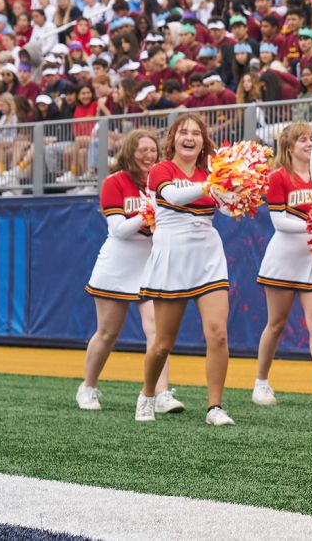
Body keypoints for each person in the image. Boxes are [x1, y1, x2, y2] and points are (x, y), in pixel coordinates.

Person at [136, 114, 234, 427]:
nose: (189, 137)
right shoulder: (161, 170)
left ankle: (214, 407)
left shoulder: (211, 173)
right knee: (163, 342)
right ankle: (148, 393)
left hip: (208, 255)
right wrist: (209, 184)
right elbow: (174, 196)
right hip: (172, 256)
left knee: (217, 333)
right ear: (173, 139)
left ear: (204, 141)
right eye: (183, 132)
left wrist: (234, 186)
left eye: (196, 133)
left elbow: (231, 207)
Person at [77, 129, 183, 416]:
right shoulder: (115, 182)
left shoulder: (162, 181)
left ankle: (160, 393)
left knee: (157, 332)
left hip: (151, 263)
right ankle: (88, 386)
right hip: (118, 263)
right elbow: (118, 230)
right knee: (108, 333)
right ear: (129, 152)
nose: (149, 155)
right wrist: (146, 212)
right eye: (142, 150)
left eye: (152, 150)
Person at [252, 122, 312, 409]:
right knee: (276, 324)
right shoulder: (279, 177)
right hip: (284, 258)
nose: (309, 143)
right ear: (289, 147)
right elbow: (279, 222)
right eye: (303, 139)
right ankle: (261, 382)